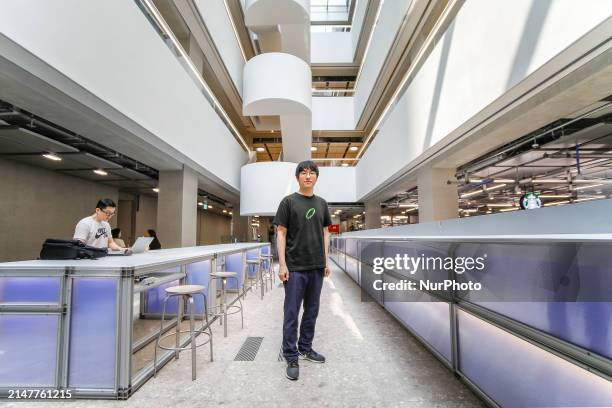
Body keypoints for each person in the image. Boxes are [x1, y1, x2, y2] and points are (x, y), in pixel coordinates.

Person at [273, 160, 332, 381]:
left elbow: (326, 233)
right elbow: (281, 234)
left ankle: (305, 348)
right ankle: (290, 355)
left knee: (312, 311)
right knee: (291, 312)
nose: (308, 176)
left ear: (316, 177)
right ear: (298, 177)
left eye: (312, 173)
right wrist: (283, 264)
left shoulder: (322, 203)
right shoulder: (288, 202)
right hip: (295, 267)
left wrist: (325, 261)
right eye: (303, 173)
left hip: (316, 266)